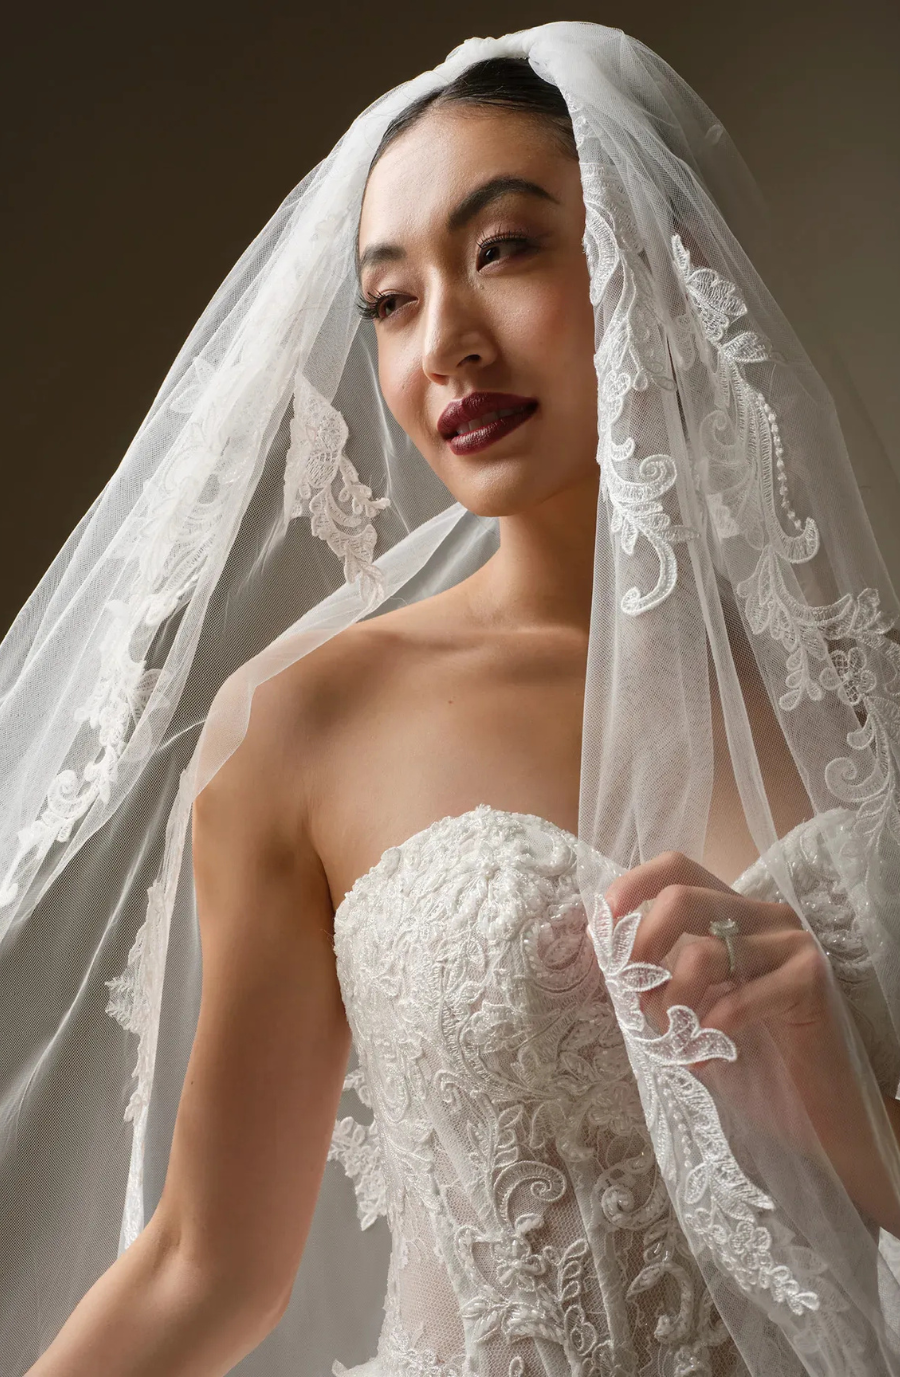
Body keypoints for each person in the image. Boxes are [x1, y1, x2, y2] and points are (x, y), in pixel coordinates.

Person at [6, 22, 900, 1377]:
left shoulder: (863, 692)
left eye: (504, 249)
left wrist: (842, 1109)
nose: (446, 345)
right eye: (390, 301)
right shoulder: (307, 726)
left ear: (659, 262)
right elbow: (205, 1265)